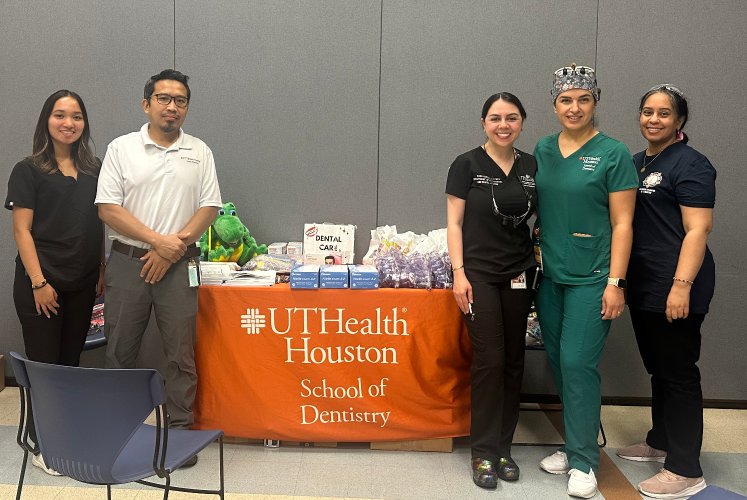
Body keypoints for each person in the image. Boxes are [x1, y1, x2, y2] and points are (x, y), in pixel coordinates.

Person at [95, 69, 222, 467]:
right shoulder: (121, 148)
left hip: (180, 264)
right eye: (164, 98)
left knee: (180, 353)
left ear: (187, 107)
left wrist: (173, 247)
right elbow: (108, 209)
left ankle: (180, 434)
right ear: (146, 104)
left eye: (180, 100)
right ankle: (116, 431)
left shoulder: (199, 150)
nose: (172, 106)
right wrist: (157, 241)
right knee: (119, 351)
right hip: (128, 264)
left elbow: (209, 206)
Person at [533, 64, 638, 498]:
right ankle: (576, 442)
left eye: (583, 99)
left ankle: (583, 463)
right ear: (554, 104)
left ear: (595, 102)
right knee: (558, 361)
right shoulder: (542, 149)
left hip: (593, 277)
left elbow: (625, 222)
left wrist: (617, 281)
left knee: (578, 363)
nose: (574, 107)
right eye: (565, 100)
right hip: (551, 275)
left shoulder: (613, 153)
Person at [617, 84, 715, 499]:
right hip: (643, 284)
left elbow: (698, 229)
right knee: (659, 368)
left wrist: (680, 286)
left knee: (678, 374)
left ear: (679, 121)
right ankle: (660, 441)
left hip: (677, 285)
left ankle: (686, 467)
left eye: (663, 113)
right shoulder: (637, 162)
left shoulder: (692, 163)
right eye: (646, 111)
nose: (652, 119)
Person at [5, 90, 105, 475]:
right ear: (46, 120)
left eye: (77, 116)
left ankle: (65, 435)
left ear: (84, 123)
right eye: (60, 115)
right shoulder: (27, 170)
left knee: (69, 364)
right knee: (45, 367)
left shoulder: (94, 170)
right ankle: (42, 444)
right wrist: (38, 282)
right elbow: (21, 231)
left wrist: (99, 271)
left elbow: (96, 224)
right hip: (40, 285)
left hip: (82, 284)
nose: (68, 123)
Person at [446, 93, 538, 489]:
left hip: (519, 275)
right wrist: (458, 273)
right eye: (496, 118)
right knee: (490, 359)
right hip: (479, 275)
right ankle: (482, 451)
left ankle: (503, 447)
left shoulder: (532, 165)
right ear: (483, 122)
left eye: (512, 118)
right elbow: (454, 223)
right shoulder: (466, 164)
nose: (504, 125)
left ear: (521, 122)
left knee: (515, 359)